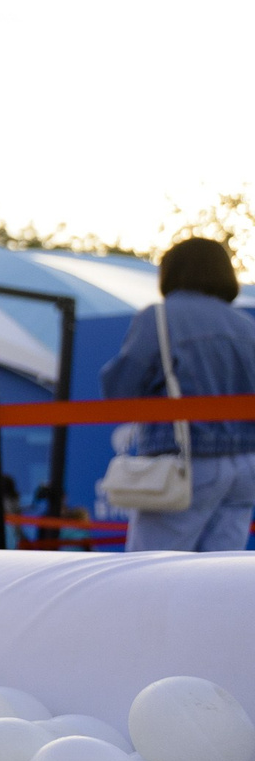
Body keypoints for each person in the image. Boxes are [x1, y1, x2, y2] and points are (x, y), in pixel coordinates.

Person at [102, 237, 255, 553]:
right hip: (247, 466)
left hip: (187, 461)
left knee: (152, 572)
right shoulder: (247, 327)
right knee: (221, 577)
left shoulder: (159, 318)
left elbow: (119, 390)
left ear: (171, 272)